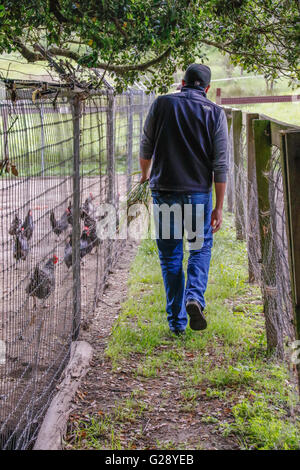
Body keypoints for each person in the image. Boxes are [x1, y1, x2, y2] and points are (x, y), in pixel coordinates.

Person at [139, 64, 229, 335]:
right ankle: (194, 298)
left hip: (163, 190)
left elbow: (146, 145)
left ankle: (176, 324)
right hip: (197, 194)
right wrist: (219, 206)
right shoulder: (215, 113)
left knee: (170, 257)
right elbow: (220, 164)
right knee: (199, 249)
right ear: (207, 88)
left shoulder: (161, 104)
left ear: (182, 82)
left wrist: (145, 177)